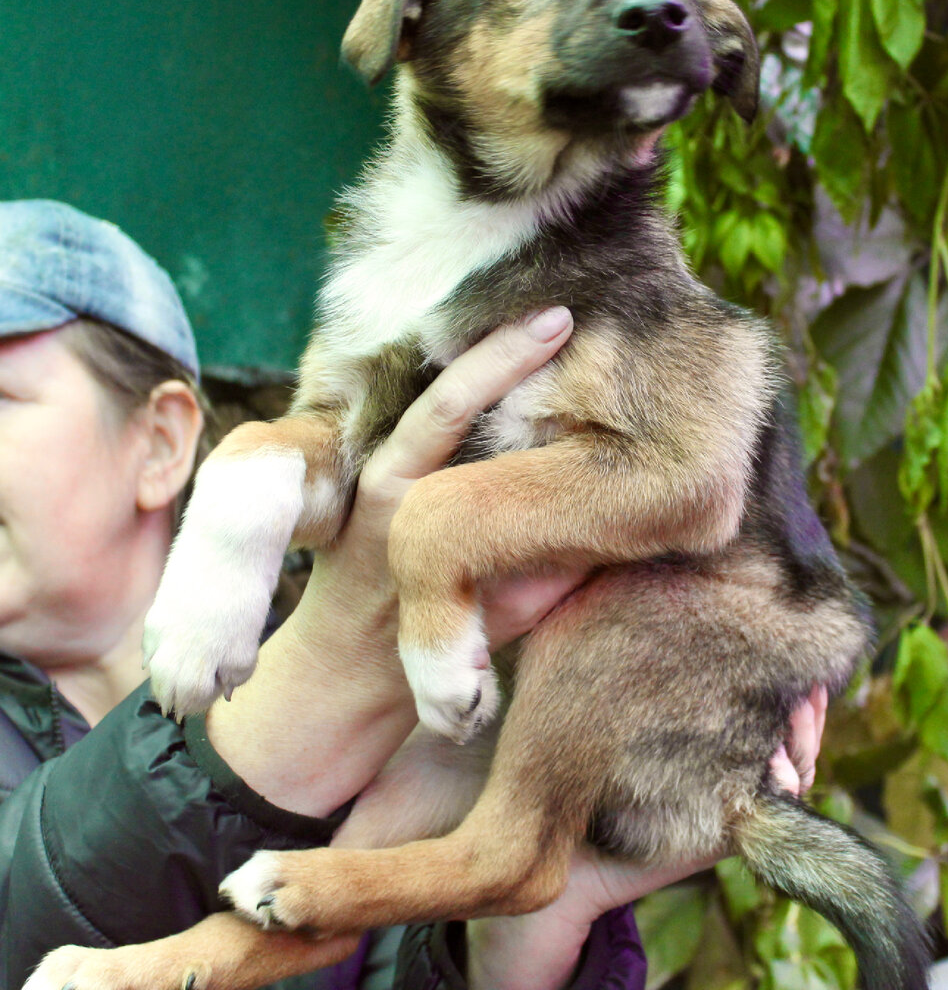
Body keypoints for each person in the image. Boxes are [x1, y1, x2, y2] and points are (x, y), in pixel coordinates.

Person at [0, 199, 827, 990]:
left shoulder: (451, 673)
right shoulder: (393, 634)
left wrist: (516, 929)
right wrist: (341, 653)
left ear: (163, 440)